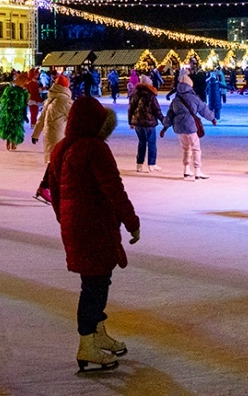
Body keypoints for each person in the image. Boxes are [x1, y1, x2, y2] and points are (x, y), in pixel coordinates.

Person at [47, 98, 139, 372]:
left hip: (75, 224)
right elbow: (114, 188)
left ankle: (97, 332)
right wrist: (131, 221)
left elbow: (54, 191)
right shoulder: (95, 149)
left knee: (98, 278)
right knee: (95, 284)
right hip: (94, 223)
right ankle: (87, 342)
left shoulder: (61, 148)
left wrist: (65, 219)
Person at [162, 82, 217, 180]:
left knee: (185, 148)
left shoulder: (175, 100)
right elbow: (204, 110)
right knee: (196, 148)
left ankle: (186, 169)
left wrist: (165, 127)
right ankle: (197, 170)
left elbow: (170, 115)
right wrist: (212, 118)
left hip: (179, 128)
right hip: (191, 127)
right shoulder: (194, 98)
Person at [32, 75, 72, 202]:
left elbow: (42, 118)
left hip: (50, 135)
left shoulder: (50, 98)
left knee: (56, 162)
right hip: (59, 136)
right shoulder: (64, 100)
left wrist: (35, 134)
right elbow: (75, 116)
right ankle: (46, 187)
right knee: (58, 163)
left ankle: (48, 187)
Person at [128, 80, 164, 173]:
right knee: (151, 143)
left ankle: (139, 165)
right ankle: (151, 164)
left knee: (141, 143)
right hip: (149, 123)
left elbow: (130, 109)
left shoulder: (135, 94)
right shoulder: (151, 96)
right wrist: (164, 121)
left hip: (138, 123)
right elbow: (157, 110)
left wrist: (131, 122)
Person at [0, 71, 30, 151]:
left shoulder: (23, 93)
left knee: (17, 127)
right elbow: (6, 102)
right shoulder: (11, 91)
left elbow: (24, 104)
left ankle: (13, 141)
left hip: (18, 113)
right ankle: (10, 140)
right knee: (10, 126)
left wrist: (24, 113)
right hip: (10, 112)